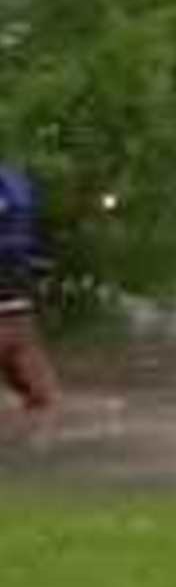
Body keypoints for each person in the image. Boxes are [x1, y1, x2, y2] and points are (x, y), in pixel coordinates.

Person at [0, 166, 60, 419]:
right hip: (18, 291)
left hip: (13, 292)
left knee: (39, 394)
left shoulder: (13, 189)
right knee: (40, 394)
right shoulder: (17, 187)